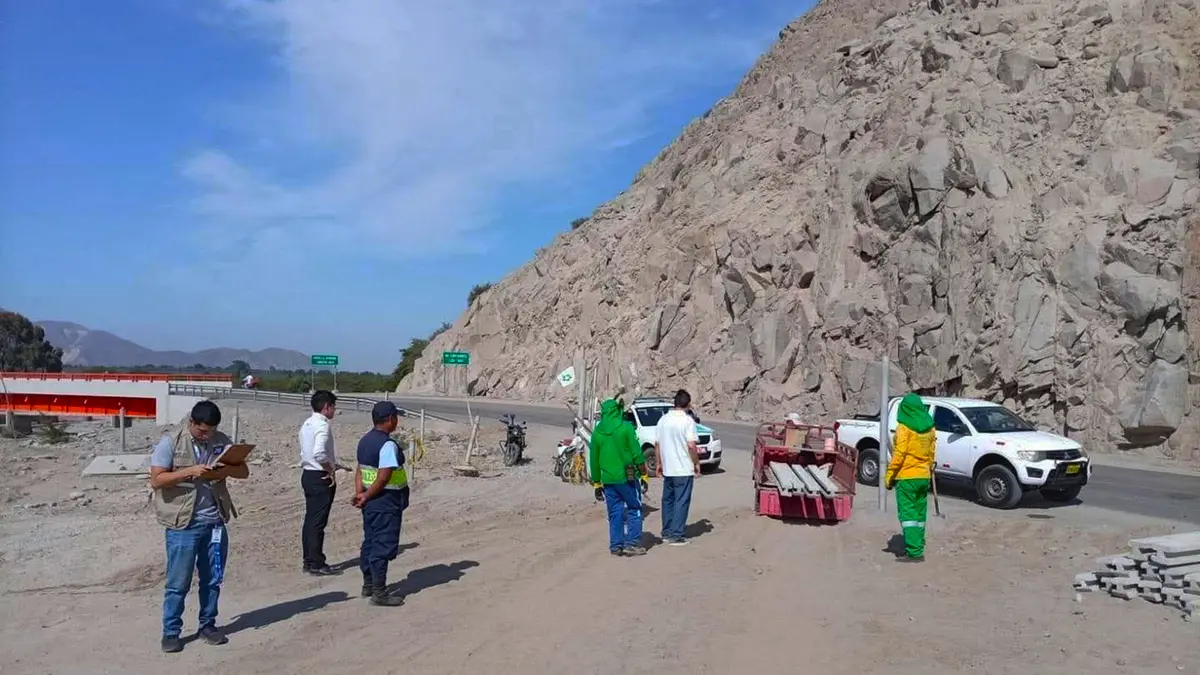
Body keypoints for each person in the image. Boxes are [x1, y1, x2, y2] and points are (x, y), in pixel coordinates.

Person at [149, 400, 250, 653]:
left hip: (214, 522)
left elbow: (244, 473)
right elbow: (157, 480)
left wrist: (225, 468)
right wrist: (190, 471)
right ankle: (171, 631)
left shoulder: (221, 441)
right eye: (203, 431)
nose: (207, 436)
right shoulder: (171, 442)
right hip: (183, 524)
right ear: (191, 423)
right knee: (178, 582)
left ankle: (208, 625)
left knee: (213, 578)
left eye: (211, 431)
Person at [352, 401, 409, 606]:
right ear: (390, 419)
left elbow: (360, 470)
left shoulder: (365, 441)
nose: (397, 421)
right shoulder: (387, 445)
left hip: (371, 503)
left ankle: (368, 585)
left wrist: (360, 493)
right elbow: (384, 477)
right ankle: (379, 593)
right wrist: (365, 496)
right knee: (382, 545)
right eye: (396, 417)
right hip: (385, 503)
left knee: (370, 542)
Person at [589, 397, 649, 557]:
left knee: (614, 512)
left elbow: (593, 460)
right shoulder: (626, 428)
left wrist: (596, 483)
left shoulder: (597, 433)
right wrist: (644, 475)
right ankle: (632, 543)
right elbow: (637, 454)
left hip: (608, 480)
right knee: (634, 508)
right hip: (627, 476)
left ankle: (616, 545)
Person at [885, 392, 936, 563]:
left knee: (908, 515)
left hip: (907, 477)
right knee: (920, 514)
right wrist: (928, 469)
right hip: (924, 476)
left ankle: (914, 553)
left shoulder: (904, 428)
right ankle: (918, 543)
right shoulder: (930, 427)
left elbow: (899, 454)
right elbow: (931, 453)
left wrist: (889, 476)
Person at [299, 390, 341, 576]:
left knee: (310, 521)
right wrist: (329, 469)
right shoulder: (322, 426)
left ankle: (309, 560)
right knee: (317, 523)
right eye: (333, 406)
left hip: (308, 474)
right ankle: (316, 562)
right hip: (320, 476)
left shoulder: (307, 424)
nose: (334, 410)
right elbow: (318, 453)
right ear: (326, 407)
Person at [655, 389, 700, 546]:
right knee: (681, 501)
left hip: (668, 468)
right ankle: (676, 534)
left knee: (667, 500)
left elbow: (657, 444)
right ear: (687, 404)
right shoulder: (688, 421)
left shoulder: (663, 420)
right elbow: (691, 445)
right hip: (683, 468)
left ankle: (667, 531)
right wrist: (696, 463)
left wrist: (659, 463)